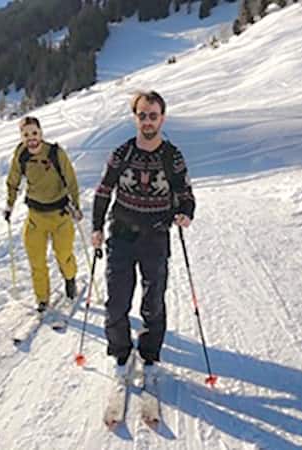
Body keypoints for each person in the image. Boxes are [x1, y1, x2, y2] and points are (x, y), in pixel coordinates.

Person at [91, 90, 195, 382]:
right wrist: (97, 227)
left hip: (156, 235)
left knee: (154, 301)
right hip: (121, 234)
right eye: (142, 115)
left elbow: (185, 192)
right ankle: (121, 353)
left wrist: (186, 213)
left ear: (162, 118)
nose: (147, 121)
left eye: (153, 115)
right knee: (117, 300)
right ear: (135, 118)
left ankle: (150, 354)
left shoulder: (172, 156)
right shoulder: (122, 153)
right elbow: (103, 190)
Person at [4, 116, 82, 312]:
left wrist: (76, 205)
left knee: (63, 255)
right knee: (36, 260)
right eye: (26, 135)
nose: (31, 138)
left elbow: (71, 180)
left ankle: (70, 279)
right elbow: (13, 181)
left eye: (34, 133)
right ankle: (42, 298)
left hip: (60, 215)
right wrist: (9, 205)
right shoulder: (21, 155)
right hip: (35, 216)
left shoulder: (55, 153)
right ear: (21, 137)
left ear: (41, 133)